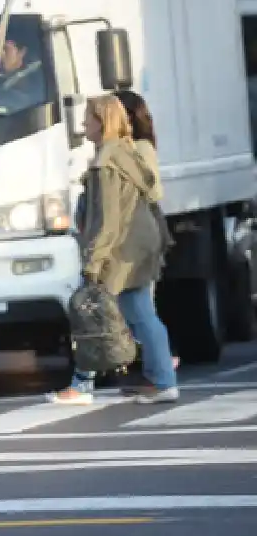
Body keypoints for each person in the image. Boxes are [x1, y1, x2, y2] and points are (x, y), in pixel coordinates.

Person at [48, 95, 172, 406]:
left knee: (90, 312)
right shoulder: (123, 153)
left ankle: (82, 386)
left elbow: (109, 219)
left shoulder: (107, 163)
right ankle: (162, 381)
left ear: (102, 122)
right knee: (140, 313)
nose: (82, 125)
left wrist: (95, 259)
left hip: (119, 250)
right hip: (137, 246)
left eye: (88, 118)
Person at [113, 89, 181, 398]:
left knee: (140, 309)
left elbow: (153, 191)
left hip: (136, 238)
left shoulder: (140, 149)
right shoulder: (123, 148)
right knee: (135, 309)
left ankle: (163, 375)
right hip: (129, 237)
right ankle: (158, 373)